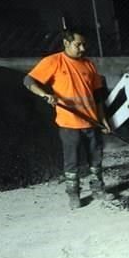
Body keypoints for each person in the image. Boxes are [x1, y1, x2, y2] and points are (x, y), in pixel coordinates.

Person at [25, 29, 114, 210]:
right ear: (66, 43)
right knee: (72, 162)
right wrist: (45, 95)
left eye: (84, 45)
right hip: (69, 123)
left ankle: (98, 190)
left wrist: (103, 119)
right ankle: (74, 195)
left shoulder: (89, 65)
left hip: (91, 122)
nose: (82, 48)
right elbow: (28, 81)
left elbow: (97, 96)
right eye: (77, 45)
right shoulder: (54, 62)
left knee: (96, 158)